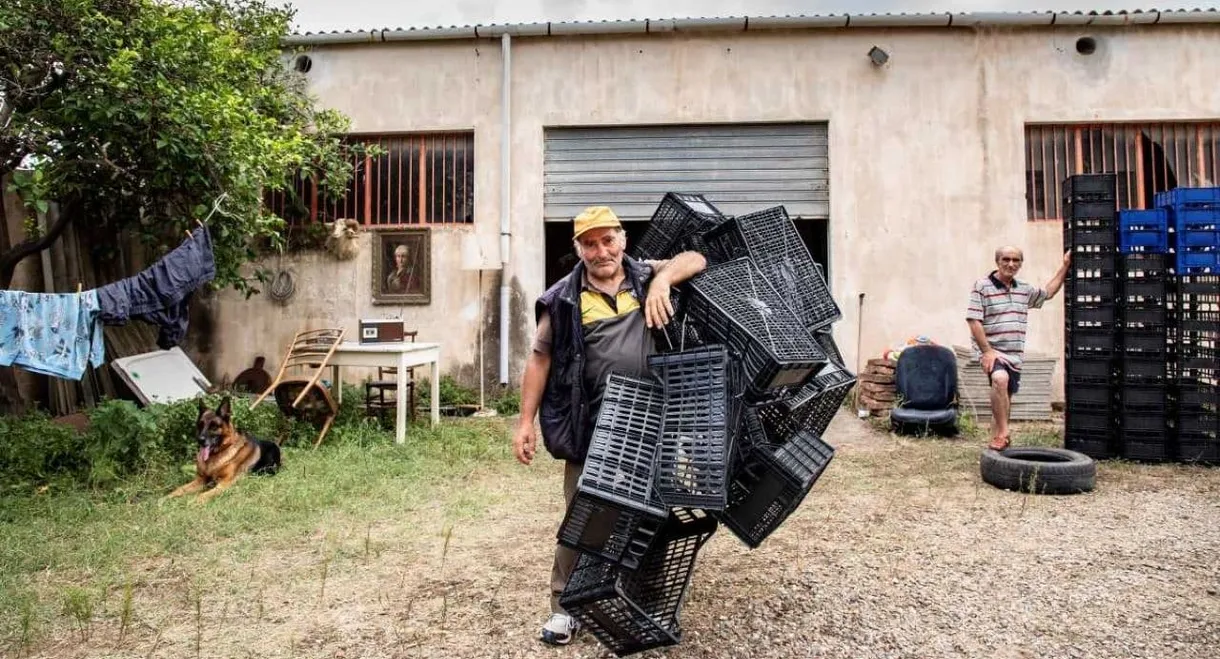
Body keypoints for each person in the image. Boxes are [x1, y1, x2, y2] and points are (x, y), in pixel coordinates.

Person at [512, 205, 707, 646]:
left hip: (652, 421)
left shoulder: (643, 275)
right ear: (578, 248)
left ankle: (646, 597)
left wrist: (662, 280)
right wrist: (525, 422)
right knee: (585, 517)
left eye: (608, 240)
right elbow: (539, 360)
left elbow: (696, 258)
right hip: (593, 426)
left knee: (653, 513)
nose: (601, 251)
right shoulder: (564, 298)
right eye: (590, 243)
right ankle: (563, 609)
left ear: (623, 239)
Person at [967, 246, 1071, 451]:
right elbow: (973, 321)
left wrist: (1065, 265)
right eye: (1006, 259)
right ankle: (1005, 432)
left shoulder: (1023, 289)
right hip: (992, 351)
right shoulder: (982, 286)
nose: (1011, 264)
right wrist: (987, 351)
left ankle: (996, 446)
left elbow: (1048, 293)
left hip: (1014, 355)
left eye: (1016, 260)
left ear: (1021, 264)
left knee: (1004, 400)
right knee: (1000, 379)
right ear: (997, 261)